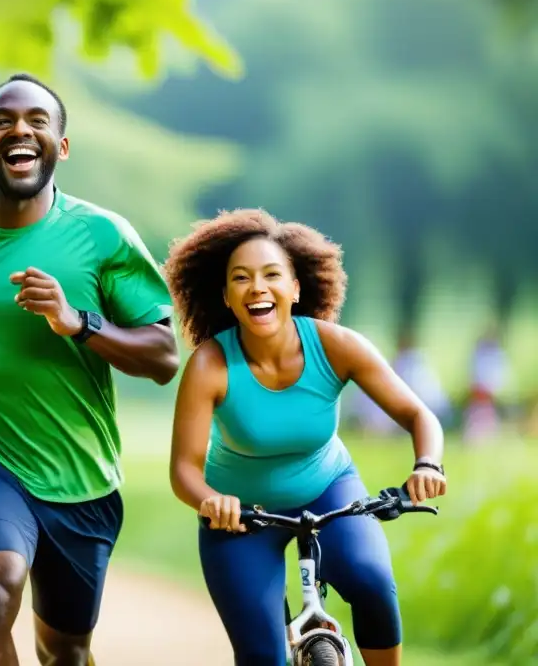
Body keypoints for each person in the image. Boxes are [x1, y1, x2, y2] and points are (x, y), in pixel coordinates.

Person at [0, 73, 180, 666]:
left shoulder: (102, 235)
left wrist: (77, 321)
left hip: (81, 473)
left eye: (38, 120)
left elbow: (163, 358)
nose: (19, 130)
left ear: (61, 144)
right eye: (2, 121)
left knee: (66, 650)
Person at [163, 208, 447, 666]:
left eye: (272, 274)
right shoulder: (210, 365)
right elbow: (183, 470)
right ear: (227, 297)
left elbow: (418, 414)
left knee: (371, 578)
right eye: (241, 279)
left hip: (328, 488)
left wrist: (427, 464)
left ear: (295, 289)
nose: (257, 287)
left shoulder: (335, 345)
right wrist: (210, 501)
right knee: (261, 653)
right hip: (240, 516)